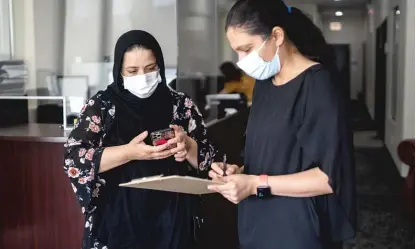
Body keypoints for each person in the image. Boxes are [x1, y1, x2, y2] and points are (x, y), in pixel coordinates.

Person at [208, 1, 356, 249]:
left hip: (297, 228)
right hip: (257, 221)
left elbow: (329, 178)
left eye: (247, 49)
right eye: (236, 51)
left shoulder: (317, 86)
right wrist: (240, 173)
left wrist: (256, 183)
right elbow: (274, 154)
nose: (241, 60)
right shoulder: (265, 84)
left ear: (276, 35)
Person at [64, 30, 216, 249]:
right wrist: (130, 152)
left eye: (151, 68)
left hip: (173, 225)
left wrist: (189, 147)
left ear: (160, 67)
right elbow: (73, 160)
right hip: (116, 226)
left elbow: (212, 160)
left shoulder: (180, 106)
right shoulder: (102, 107)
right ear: (119, 71)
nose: (143, 77)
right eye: (132, 71)